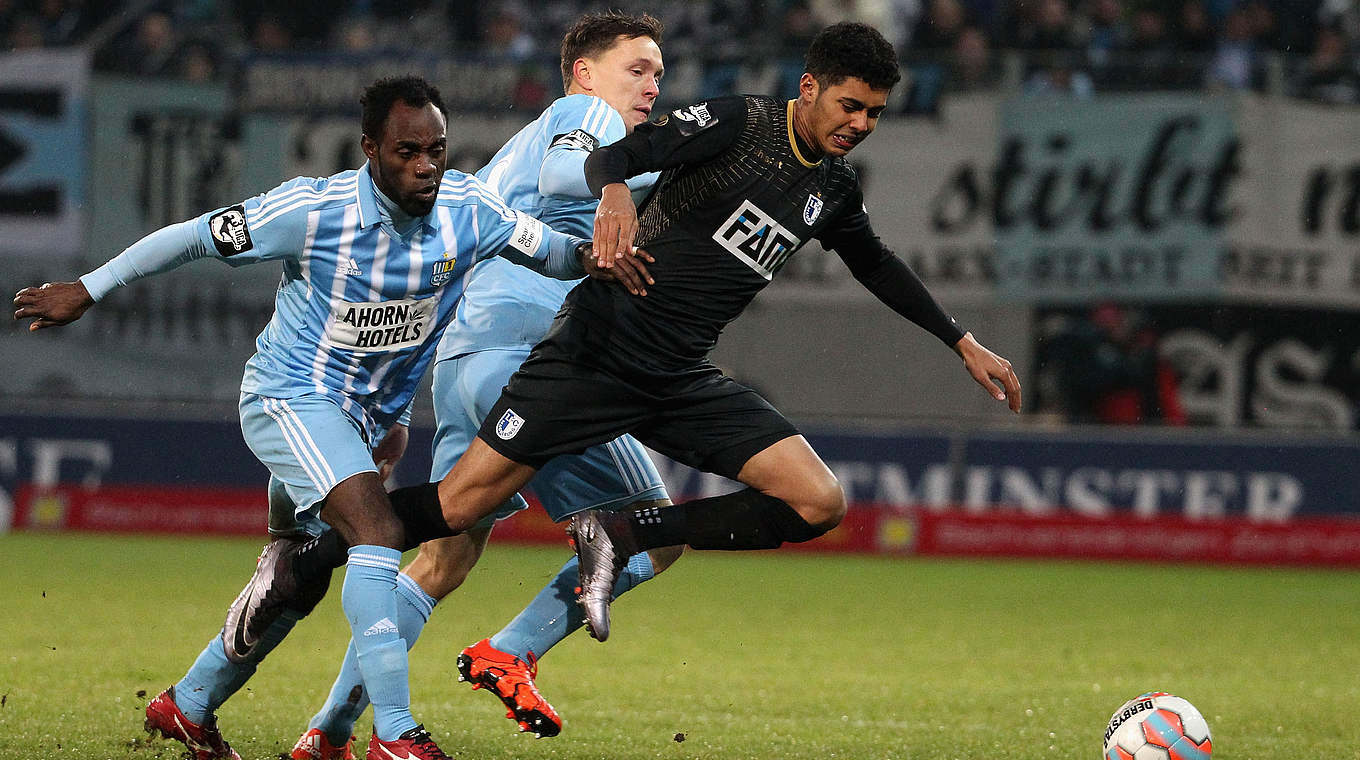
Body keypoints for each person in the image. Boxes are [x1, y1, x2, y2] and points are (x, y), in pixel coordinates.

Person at [244, 21, 1021, 690]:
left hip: (679, 377)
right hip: (595, 354)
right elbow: (615, 155)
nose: (860, 123)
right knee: (458, 507)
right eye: (850, 105)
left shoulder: (833, 191)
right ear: (810, 87)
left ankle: (624, 535)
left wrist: (961, 340)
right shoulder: (738, 122)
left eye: (875, 113)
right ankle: (312, 554)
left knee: (819, 502)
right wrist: (615, 196)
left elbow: (878, 265)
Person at [12, 76, 603, 760]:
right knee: (376, 530)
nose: (426, 166)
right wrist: (88, 288)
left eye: (436, 150)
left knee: (302, 572)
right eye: (408, 151)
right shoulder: (313, 212)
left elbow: (555, 253)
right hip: (289, 399)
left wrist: (601, 257)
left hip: (363, 423)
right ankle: (393, 735)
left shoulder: (471, 207)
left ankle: (190, 704)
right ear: (370, 150)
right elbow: (191, 237)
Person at [287, 13, 675, 758]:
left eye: (659, 72)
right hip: (529, 364)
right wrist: (662, 172)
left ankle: (330, 729)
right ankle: (511, 651)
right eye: (638, 69)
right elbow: (574, 178)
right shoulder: (582, 118)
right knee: (652, 529)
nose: (653, 85)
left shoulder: (523, 144)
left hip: (466, 363)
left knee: (444, 559)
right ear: (585, 74)